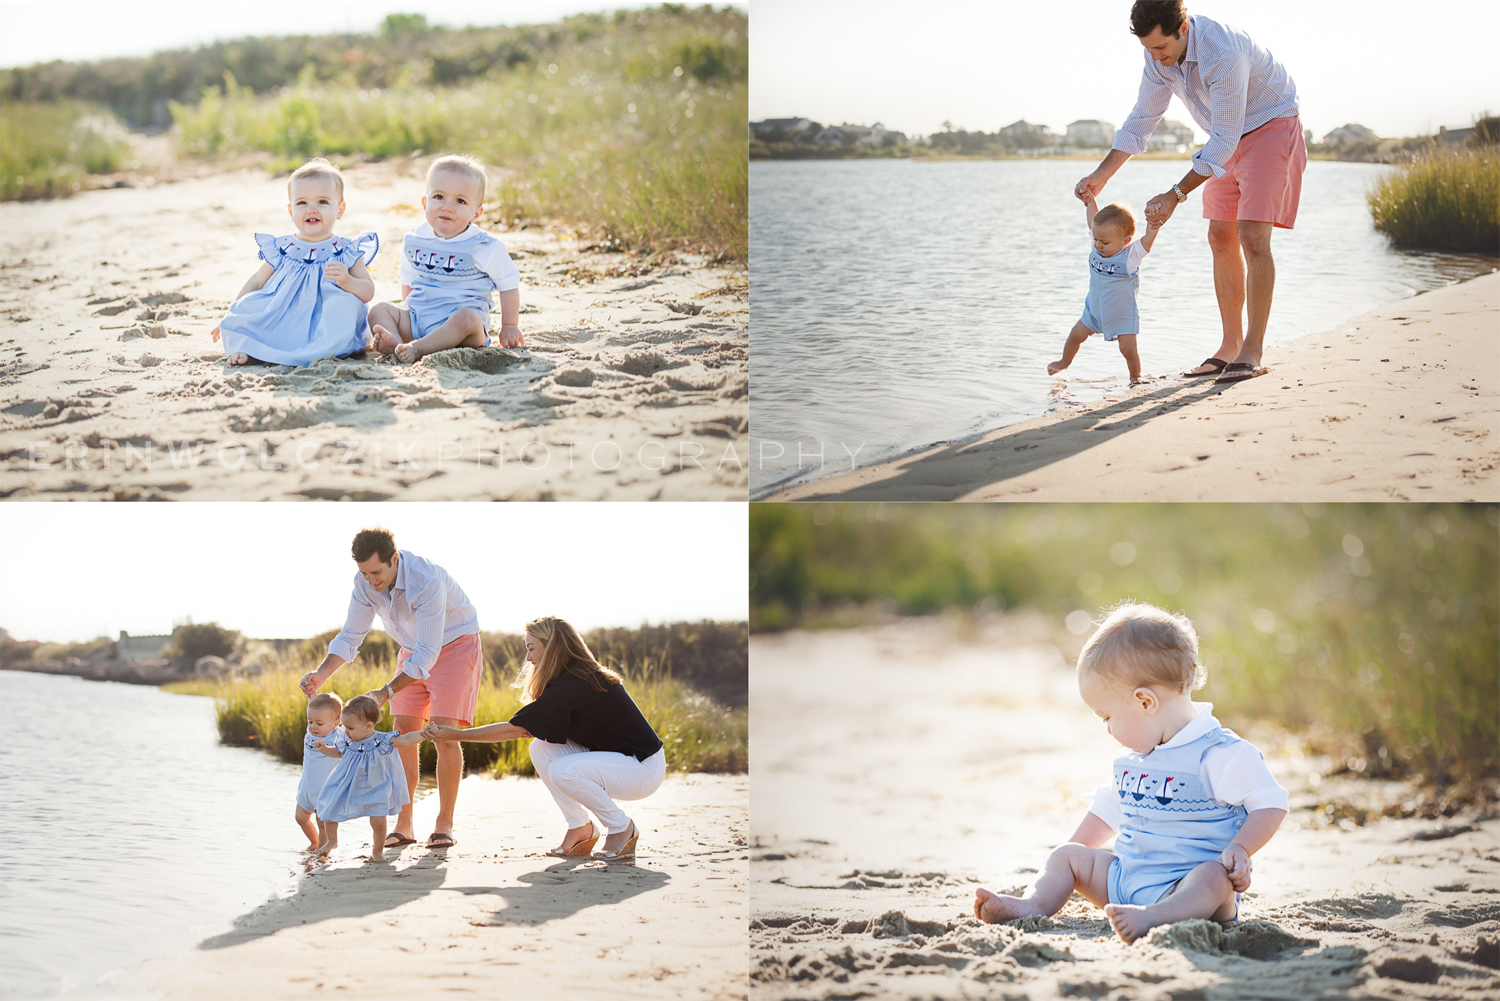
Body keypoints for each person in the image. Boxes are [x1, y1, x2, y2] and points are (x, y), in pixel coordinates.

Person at [972, 602, 1288, 943]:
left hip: (1188, 890)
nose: (1107, 730)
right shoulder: (1133, 759)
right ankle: (1033, 904)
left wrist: (1241, 847)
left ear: (1145, 702)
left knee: (1214, 878)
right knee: (1065, 855)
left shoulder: (1217, 754)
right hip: (1125, 880)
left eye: (1107, 717)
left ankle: (1154, 918)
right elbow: (1107, 810)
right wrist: (1071, 859)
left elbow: (1270, 802)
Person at [1074, 1, 1305, 383]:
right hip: (1224, 139)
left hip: (1270, 125)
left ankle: (1252, 349)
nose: (1156, 57)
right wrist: (1101, 175)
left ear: (1183, 28)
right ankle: (1229, 346)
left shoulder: (1223, 51)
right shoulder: (1158, 59)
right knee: (1219, 235)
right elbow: (1140, 123)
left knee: (1252, 236)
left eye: (1161, 48)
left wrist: (1175, 194)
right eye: (1148, 50)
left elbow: (1225, 139)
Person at [300, 527, 484, 851]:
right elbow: (350, 636)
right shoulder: (365, 583)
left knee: (442, 733)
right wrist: (321, 673)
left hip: (455, 646)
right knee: (401, 734)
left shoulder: (425, 580)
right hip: (413, 649)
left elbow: (429, 654)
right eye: (364, 573)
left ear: (394, 559)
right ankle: (405, 823)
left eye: (376, 572)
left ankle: (444, 824)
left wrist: (384, 691)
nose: (371, 580)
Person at [424, 616, 666, 861]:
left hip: (643, 769)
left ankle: (621, 827)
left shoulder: (576, 682)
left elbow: (512, 729)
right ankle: (580, 827)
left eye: (531, 648)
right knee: (541, 749)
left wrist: (455, 734)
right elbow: (527, 729)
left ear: (552, 647)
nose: (528, 658)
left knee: (563, 770)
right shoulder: (568, 678)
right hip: (622, 763)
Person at [211, 158, 379, 366]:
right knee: (243, 312)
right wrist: (233, 310)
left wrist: (348, 281)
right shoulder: (283, 248)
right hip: (283, 314)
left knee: (345, 306)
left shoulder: (346, 250)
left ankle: (326, 349)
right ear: (291, 211)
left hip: (324, 319)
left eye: (323, 202)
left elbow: (368, 290)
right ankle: (249, 348)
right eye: (302, 203)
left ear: (340, 209)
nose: (312, 209)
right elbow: (256, 282)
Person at [366, 154, 522, 362]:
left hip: (462, 332)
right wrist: (408, 317)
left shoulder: (482, 246)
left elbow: (508, 283)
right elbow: (407, 280)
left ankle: (418, 348)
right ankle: (395, 343)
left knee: (467, 318)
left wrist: (510, 325)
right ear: (424, 202)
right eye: (439, 197)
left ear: (477, 213)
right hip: (419, 322)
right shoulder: (414, 240)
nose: (447, 206)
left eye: (460, 201)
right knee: (378, 310)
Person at [1047, 198, 1162, 384]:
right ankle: (1064, 362)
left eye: (1105, 242)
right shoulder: (1097, 243)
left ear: (1126, 241)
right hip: (1093, 311)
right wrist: (1090, 199)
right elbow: (1092, 219)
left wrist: (1154, 220)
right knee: (1075, 336)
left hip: (1121, 314)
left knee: (1128, 350)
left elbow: (1148, 239)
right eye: (1096, 239)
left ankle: (1135, 377)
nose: (1098, 245)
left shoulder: (1131, 256)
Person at [310, 695, 426, 860]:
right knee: (329, 808)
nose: (345, 732)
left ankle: (377, 850)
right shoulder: (348, 740)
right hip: (347, 784)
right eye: (344, 726)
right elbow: (338, 753)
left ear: (368, 726)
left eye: (350, 728)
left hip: (375, 786)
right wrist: (324, 749)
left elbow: (407, 739)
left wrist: (424, 734)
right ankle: (332, 841)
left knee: (378, 821)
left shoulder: (382, 740)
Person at [295, 692, 347, 851]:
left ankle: (323, 850)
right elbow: (314, 708)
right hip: (306, 789)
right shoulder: (310, 733)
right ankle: (314, 842)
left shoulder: (338, 736)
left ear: (336, 723)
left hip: (325, 790)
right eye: (310, 722)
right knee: (300, 818)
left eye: (319, 723)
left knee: (322, 822)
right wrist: (312, 693)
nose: (313, 726)